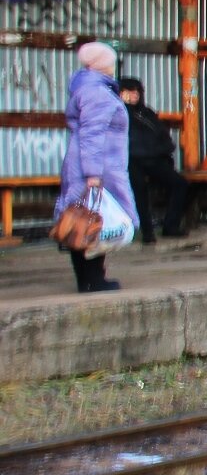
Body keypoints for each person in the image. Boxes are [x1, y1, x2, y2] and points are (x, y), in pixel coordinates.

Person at [56, 43, 137, 293]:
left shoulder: (88, 87)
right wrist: (93, 174)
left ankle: (88, 280)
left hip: (90, 164)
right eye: (110, 61)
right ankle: (93, 279)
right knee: (95, 221)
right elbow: (92, 134)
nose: (114, 66)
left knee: (82, 219)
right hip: (98, 167)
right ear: (102, 64)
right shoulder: (98, 93)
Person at [118, 77, 188, 243]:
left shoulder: (146, 112)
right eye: (130, 91)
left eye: (137, 91)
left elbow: (162, 135)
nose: (134, 95)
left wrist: (165, 154)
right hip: (131, 161)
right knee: (140, 192)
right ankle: (148, 233)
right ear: (121, 93)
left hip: (154, 160)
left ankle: (170, 226)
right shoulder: (118, 112)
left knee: (180, 184)